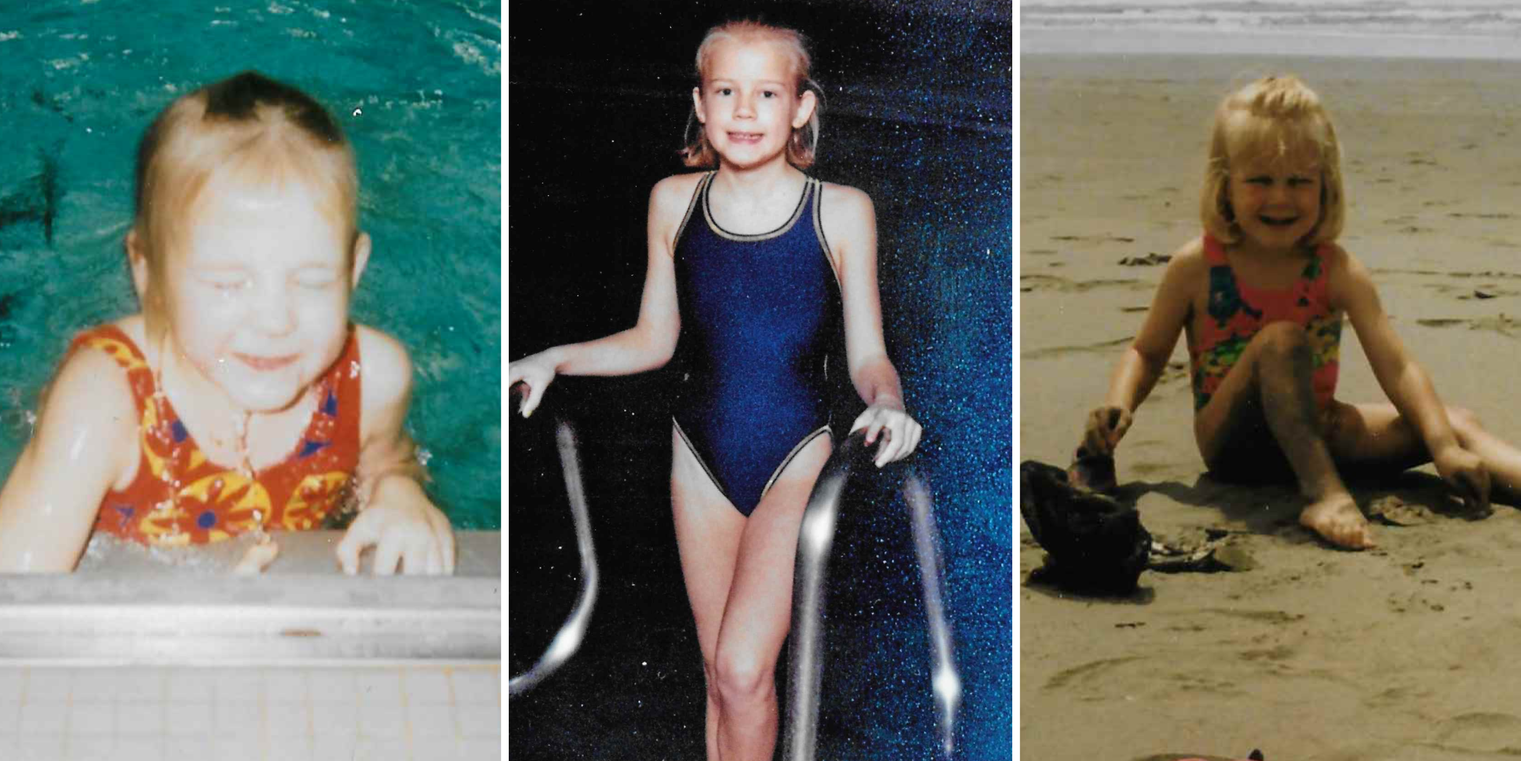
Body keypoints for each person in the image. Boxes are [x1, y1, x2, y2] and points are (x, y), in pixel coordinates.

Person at [509, 20, 923, 761]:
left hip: (794, 454)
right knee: (720, 677)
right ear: (699, 104)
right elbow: (652, 340)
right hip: (696, 457)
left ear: (800, 108)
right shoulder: (673, 201)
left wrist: (886, 401)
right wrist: (552, 358)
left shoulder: (840, 210)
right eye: (725, 90)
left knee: (741, 667)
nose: (742, 109)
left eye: (766, 92)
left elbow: (867, 356)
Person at [0, 71, 455, 574]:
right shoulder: (105, 400)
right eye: (226, 283)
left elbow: (387, 459)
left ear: (354, 269)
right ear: (146, 269)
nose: (275, 320)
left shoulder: (373, 379)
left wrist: (399, 492)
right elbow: (16, 599)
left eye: (311, 281)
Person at [1078, 74, 1520, 551]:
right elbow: (1146, 351)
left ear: (1325, 185)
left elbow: (1399, 365)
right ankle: (1324, 495)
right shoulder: (1198, 266)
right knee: (1282, 340)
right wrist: (1120, 405)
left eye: (1299, 182)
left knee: (1450, 421)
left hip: (1318, 427)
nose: (1280, 198)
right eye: (1260, 180)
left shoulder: (1336, 268)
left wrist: (1444, 448)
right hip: (1236, 446)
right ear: (1225, 185)